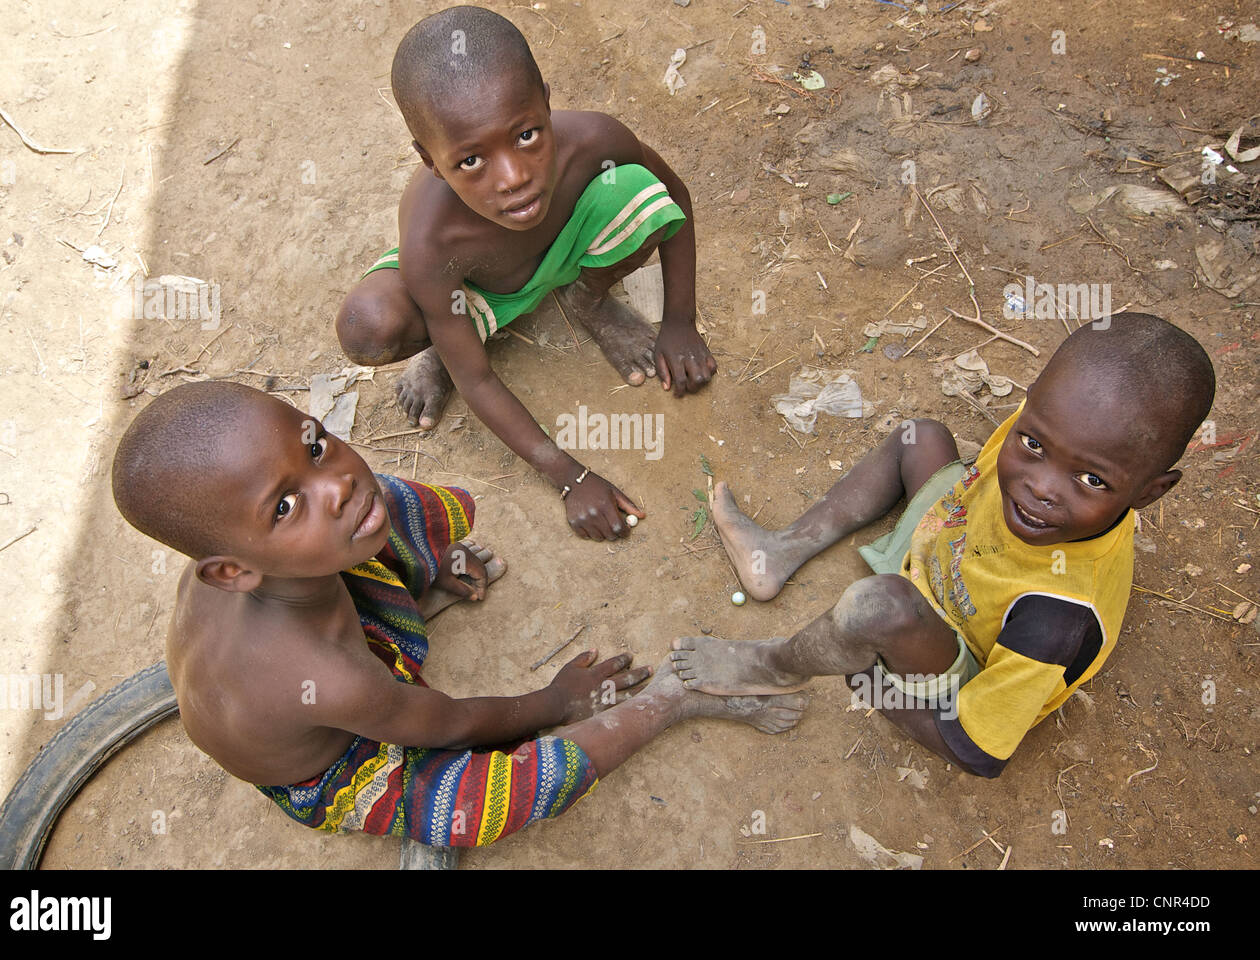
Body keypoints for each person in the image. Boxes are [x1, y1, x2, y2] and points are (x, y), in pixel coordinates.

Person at [111, 382, 805, 846]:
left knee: (380, 504)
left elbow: (330, 509)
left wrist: (417, 563)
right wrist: (552, 700)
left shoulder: (249, 566)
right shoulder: (326, 676)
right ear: (230, 572)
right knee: (479, 803)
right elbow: (450, 725)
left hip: (321, 626)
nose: (337, 481)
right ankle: (671, 700)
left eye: (315, 444)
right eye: (285, 504)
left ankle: (430, 574)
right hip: (334, 763)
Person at [670, 314, 1215, 777]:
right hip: (951, 540)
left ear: (1151, 491)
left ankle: (774, 665)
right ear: (1032, 406)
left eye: (1092, 480)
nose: (1043, 487)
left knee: (878, 607)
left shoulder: (1056, 619)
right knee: (921, 437)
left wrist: (876, 688)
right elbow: (1000, 471)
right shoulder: (1056, 438)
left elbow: (980, 751)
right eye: (1032, 443)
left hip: (955, 652)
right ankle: (781, 551)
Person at [334, 5, 716, 541]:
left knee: (638, 195)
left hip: (555, 255)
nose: (514, 177)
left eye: (527, 134)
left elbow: (675, 196)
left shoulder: (595, 140)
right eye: (469, 161)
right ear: (428, 159)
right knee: (369, 324)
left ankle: (589, 300)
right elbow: (479, 378)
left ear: (546, 101)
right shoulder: (432, 242)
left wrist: (680, 320)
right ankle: (441, 346)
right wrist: (569, 478)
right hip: (472, 290)